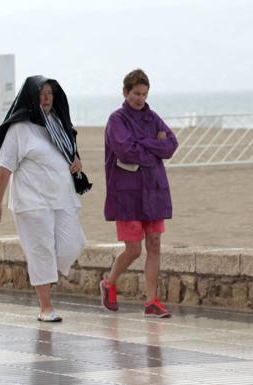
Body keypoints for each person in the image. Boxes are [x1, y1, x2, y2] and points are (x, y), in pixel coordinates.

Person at [0, 75, 89, 322]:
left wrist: (76, 164)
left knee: (72, 244)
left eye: (50, 94)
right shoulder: (19, 129)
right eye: (41, 94)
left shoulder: (57, 122)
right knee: (41, 250)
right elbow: (4, 168)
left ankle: (42, 275)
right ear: (31, 98)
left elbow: (67, 155)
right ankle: (46, 307)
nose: (46, 98)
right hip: (32, 202)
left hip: (62, 198)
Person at [99, 69, 178, 318]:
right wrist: (154, 144)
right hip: (127, 194)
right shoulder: (116, 120)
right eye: (135, 93)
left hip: (154, 190)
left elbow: (171, 145)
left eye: (144, 94)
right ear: (125, 92)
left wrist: (144, 142)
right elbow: (126, 151)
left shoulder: (153, 118)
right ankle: (109, 283)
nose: (140, 99)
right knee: (133, 249)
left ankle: (151, 301)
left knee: (154, 244)